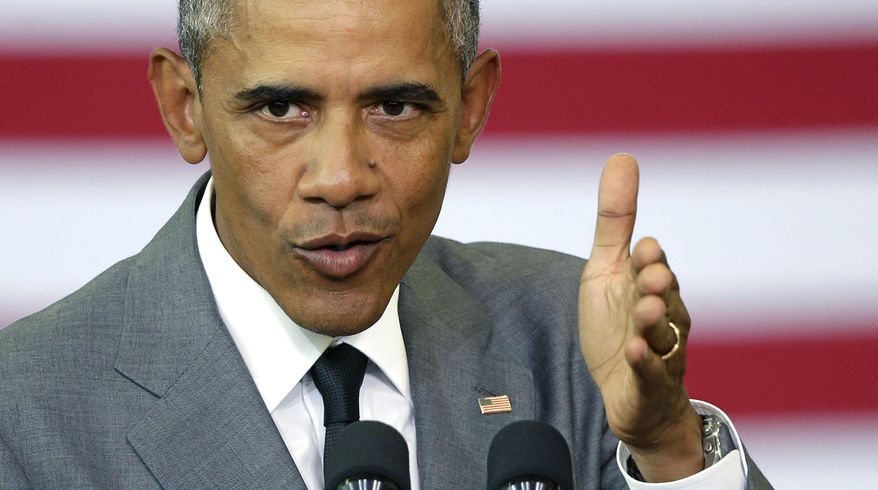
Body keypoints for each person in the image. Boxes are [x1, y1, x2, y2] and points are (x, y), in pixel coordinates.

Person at [0, 0, 772, 488]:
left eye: (395, 107)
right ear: (184, 107)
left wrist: (670, 450)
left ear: (471, 105)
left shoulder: (567, 342)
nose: (341, 178)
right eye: (281, 108)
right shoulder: (23, 409)